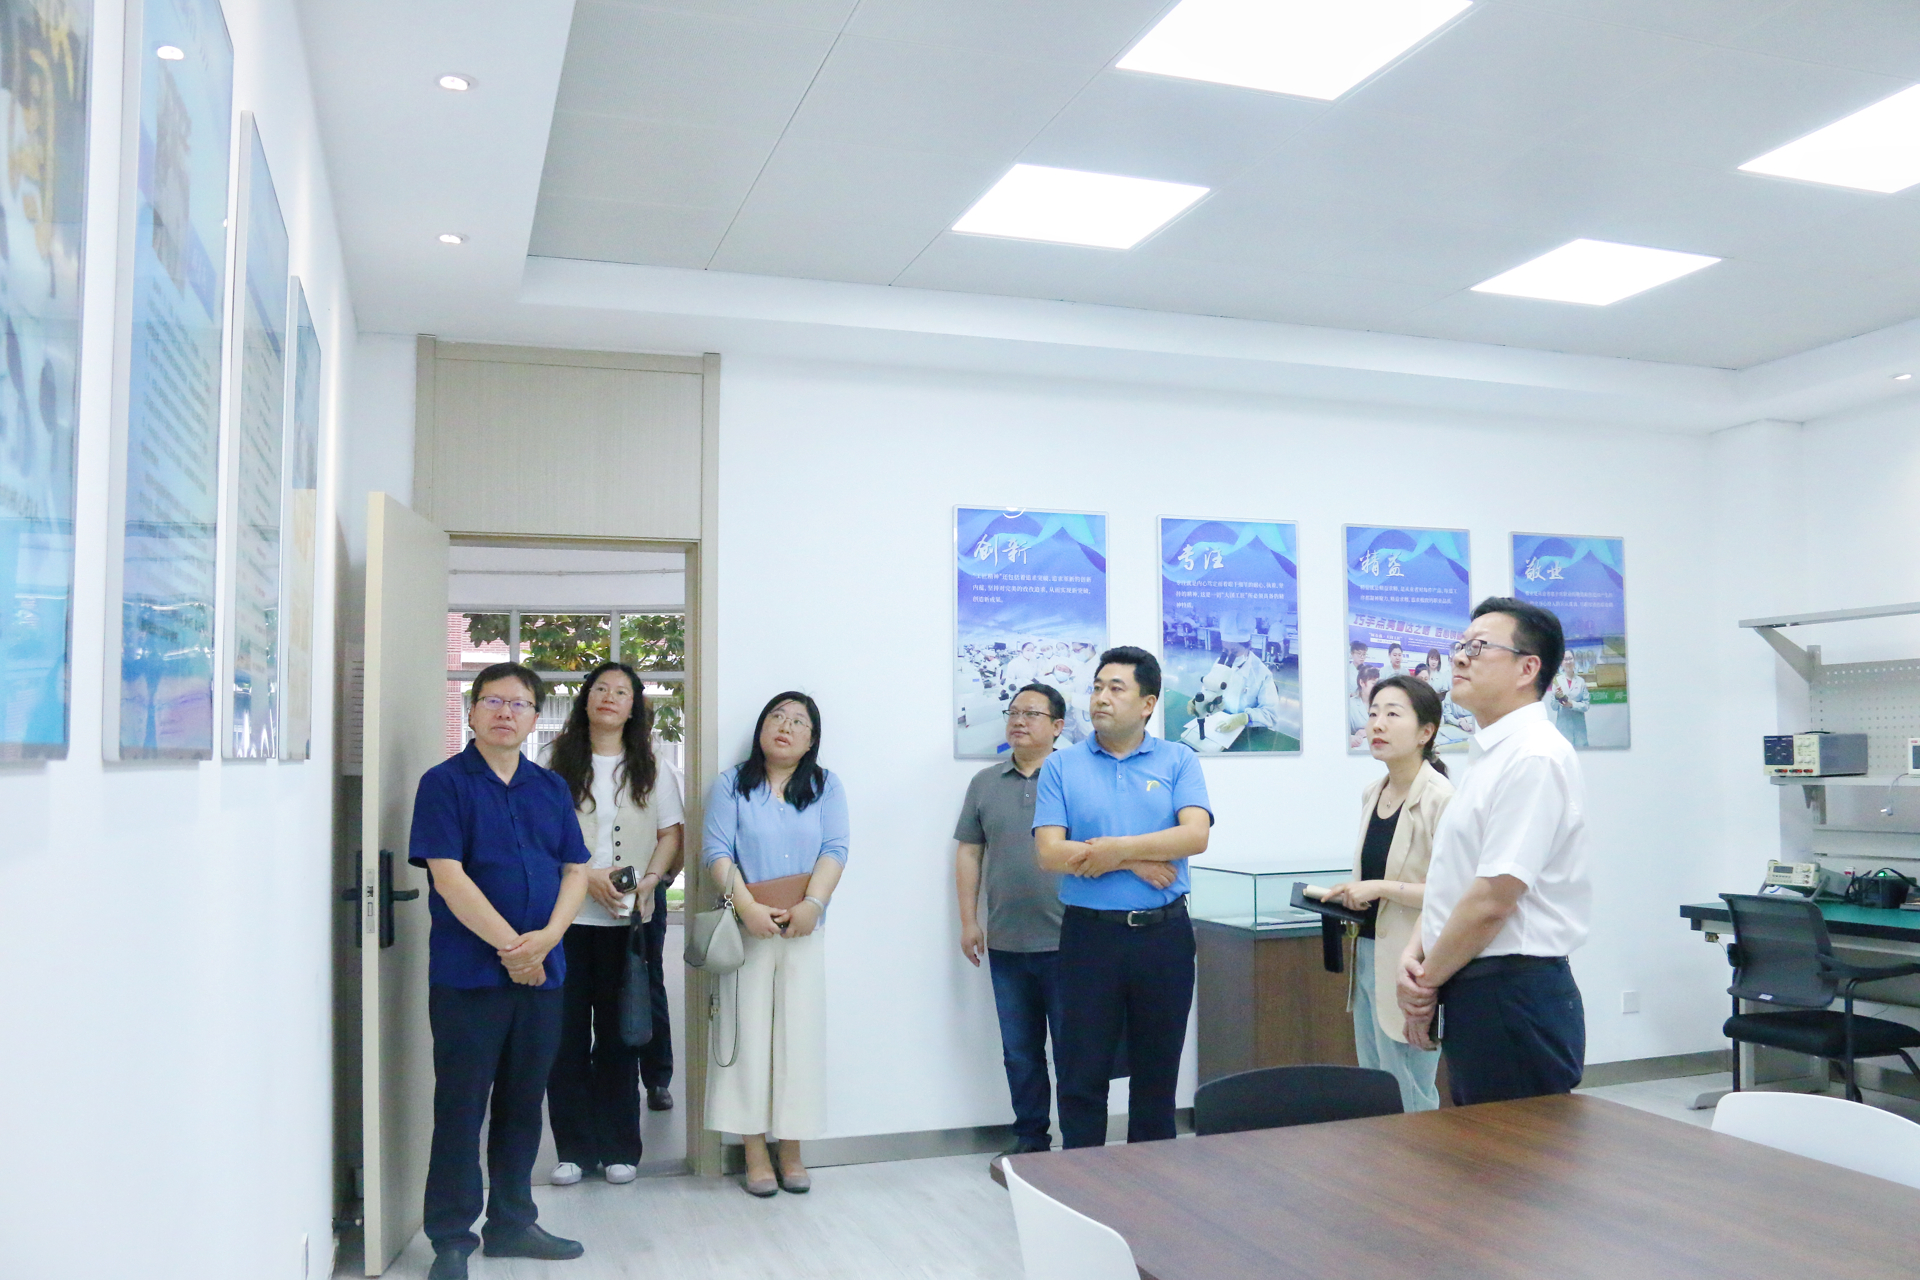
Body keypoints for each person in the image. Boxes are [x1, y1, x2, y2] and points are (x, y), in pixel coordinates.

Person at [409, 663, 591, 1280]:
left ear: (536, 718)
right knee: (462, 1108)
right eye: (493, 701)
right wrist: (517, 951)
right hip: (468, 978)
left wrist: (548, 941)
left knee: (522, 1102)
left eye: (519, 704)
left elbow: (574, 870)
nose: (505, 713)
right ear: (472, 711)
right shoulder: (444, 783)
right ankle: (451, 1241)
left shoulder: (550, 788)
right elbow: (448, 876)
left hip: (545, 974)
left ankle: (512, 1223)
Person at [954, 683, 1175, 1158]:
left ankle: (1086, 1154)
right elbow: (970, 852)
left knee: (1080, 1057)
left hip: (1071, 940)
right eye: (1013, 712)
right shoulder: (984, 784)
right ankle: (1031, 1141)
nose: (1018, 721)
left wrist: (1133, 861)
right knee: (1019, 1052)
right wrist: (969, 921)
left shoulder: (1076, 774)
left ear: (1058, 726)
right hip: (1008, 940)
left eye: (1031, 714)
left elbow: (1097, 844)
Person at [1396, 599, 1591, 1106]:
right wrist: (1417, 952)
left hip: (1513, 991)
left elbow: (1492, 899)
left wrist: (1424, 985)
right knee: (1476, 1147)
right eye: (1461, 645)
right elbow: (1457, 879)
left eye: (1480, 647)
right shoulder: (1491, 754)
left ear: (1528, 669)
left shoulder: (1535, 756)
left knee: (1514, 1151)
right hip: (1476, 983)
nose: (1460, 657)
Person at [1035, 647, 1212, 1148]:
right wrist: (1131, 861)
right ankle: (1080, 1180)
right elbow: (1049, 852)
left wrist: (1115, 849)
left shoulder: (1178, 759)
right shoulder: (1061, 765)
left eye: (1116, 688)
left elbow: (1194, 836)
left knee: (1157, 1075)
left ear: (1148, 703)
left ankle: (1149, 1185)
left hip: (1164, 936)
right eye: (1097, 687)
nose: (1101, 698)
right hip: (1089, 938)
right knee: (1081, 1072)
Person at [540, 661, 685, 1187]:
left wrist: (651, 879)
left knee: (621, 1036)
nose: (609, 697)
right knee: (566, 1038)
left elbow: (671, 834)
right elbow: (538, 836)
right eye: (600, 688)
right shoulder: (552, 760)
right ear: (585, 699)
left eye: (621, 692)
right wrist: (588, 876)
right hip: (566, 919)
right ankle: (573, 1151)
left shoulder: (653, 767)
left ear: (633, 708)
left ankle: (621, 1146)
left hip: (627, 924)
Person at [703, 692, 847, 1196]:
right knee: (745, 1038)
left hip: (804, 928)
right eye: (777, 717)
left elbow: (835, 848)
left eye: (798, 721)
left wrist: (813, 905)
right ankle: (753, 1151)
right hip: (747, 929)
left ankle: (791, 1149)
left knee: (798, 1040)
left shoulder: (826, 786)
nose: (785, 727)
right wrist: (746, 907)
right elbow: (716, 851)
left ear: (812, 739)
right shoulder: (731, 784)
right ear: (761, 728)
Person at [1319, 675, 1453, 1112]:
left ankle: (1421, 1159)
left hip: (1414, 961)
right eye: (1373, 712)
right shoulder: (1373, 792)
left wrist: (1378, 888)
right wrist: (1353, 891)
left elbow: (1451, 893)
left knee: (1410, 1090)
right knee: (1376, 1084)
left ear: (1425, 732)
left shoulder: (1442, 799)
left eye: (1393, 714)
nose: (1377, 723)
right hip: (1369, 953)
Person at [1187, 611, 1282, 743]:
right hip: (1219, 723)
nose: (1229, 655)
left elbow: (1271, 715)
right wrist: (1200, 701)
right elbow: (1210, 688)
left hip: (1248, 733)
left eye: (1234, 651)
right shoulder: (1220, 663)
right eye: (1225, 651)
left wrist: (1244, 718)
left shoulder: (1262, 673)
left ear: (1248, 646)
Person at [1547, 652, 1590, 748]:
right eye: (1565, 659)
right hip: (1563, 728)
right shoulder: (1557, 681)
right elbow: (1554, 707)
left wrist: (1572, 704)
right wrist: (1557, 697)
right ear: (1562, 662)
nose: (1568, 661)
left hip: (1579, 728)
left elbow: (1586, 706)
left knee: (1582, 753)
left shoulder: (1581, 681)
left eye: (1570, 658)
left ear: (1574, 660)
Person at [1347, 664, 1379, 748]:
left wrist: (1368, 731)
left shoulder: (1382, 704)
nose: (1376, 687)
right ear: (1362, 683)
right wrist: (1351, 738)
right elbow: (1340, 733)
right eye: (1373, 683)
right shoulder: (1350, 705)